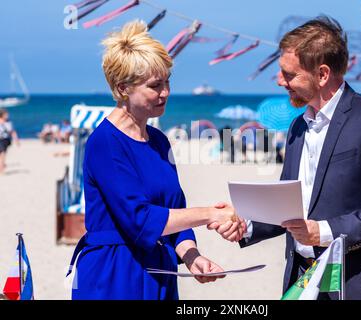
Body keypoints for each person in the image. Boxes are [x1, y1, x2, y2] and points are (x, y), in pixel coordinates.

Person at [210, 16, 361, 300]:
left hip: (360, 285)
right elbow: (290, 208)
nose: (280, 80)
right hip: (302, 283)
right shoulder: (297, 126)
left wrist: (323, 231)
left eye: (290, 74)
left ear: (322, 74)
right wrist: (245, 225)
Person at [67, 20, 246, 300]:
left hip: (159, 273)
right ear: (123, 87)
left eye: (167, 82)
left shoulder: (159, 140)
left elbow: (175, 210)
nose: (165, 93)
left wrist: (191, 256)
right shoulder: (105, 142)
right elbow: (140, 219)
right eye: (155, 85)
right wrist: (211, 213)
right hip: (115, 274)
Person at [0, 108, 20, 174]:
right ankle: (2, 165)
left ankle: (1, 169)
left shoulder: (9, 122)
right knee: (2, 154)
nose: (7, 116)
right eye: (6, 114)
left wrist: (16, 140)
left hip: (4, 140)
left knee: (3, 154)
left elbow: (12, 132)